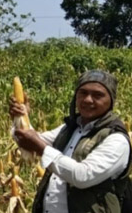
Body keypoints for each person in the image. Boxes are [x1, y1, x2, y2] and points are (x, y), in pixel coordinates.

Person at [12, 70, 131, 213]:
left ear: (111, 101)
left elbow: (82, 176)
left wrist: (42, 149)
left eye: (98, 95)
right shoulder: (69, 129)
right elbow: (29, 140)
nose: (87, 99)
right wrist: (21, 117)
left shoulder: (116, 139)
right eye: (83, 93)